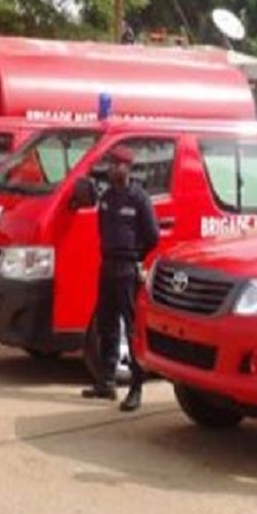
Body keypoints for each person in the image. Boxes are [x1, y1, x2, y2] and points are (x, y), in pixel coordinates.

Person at [81, 145, 159, 412]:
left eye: (118, 165)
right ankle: (106, 381)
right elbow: (102, 229)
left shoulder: (139, 198)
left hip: (128, 269)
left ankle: (136, 388)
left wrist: (136, 255)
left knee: (132, 327)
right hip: (108, 266)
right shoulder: (107, 198)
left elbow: (153, 236)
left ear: (129, 168)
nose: (113, 169)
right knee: (106, 324)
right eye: (111, 164)